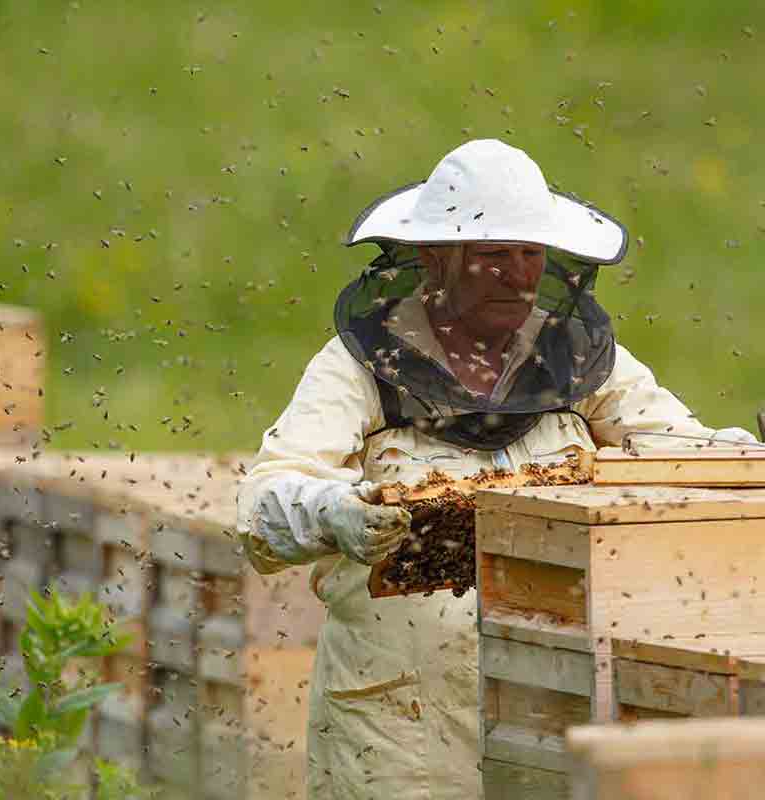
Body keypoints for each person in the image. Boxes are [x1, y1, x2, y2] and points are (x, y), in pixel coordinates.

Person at [236, 139, 757, 799]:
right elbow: (263, 506)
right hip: (399, 725)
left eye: (531, 255)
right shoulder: (358, 368)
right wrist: (334, 511)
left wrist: (742, 455)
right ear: (434, 261)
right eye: (493, 257)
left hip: (549, 706)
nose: (519, 277)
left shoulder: (577, 358)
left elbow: (679, 449)